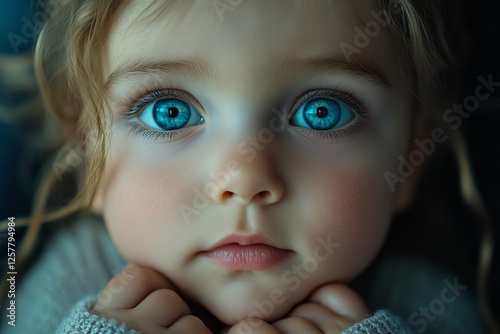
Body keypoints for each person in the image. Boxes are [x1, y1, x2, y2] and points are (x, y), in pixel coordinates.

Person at [0, 0, 496, 333]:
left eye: (322, 112)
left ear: (411, 158)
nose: (245, 178)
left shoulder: (432, 305)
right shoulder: (60, 289)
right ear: (87, 154)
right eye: (168, 112)